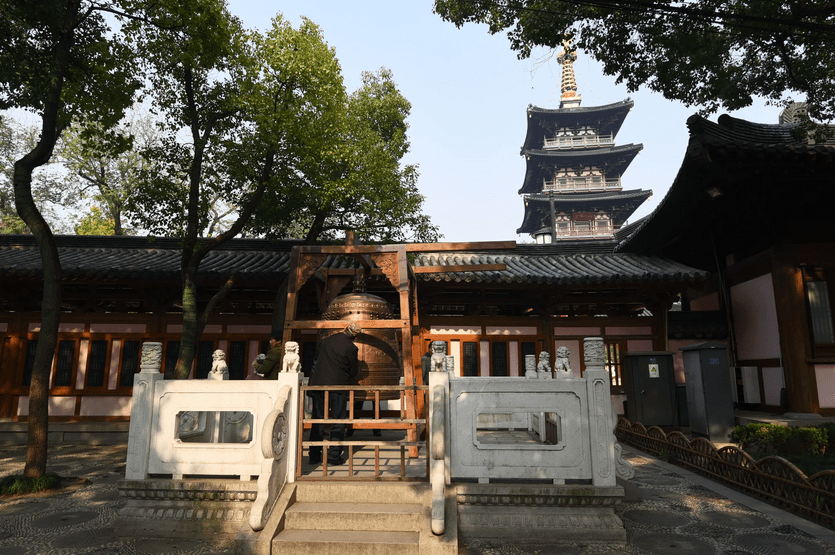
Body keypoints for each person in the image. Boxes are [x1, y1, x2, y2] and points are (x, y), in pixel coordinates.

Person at [308, 323, 361, 466]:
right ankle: (334, 456)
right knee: (338, 421)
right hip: (337, 387)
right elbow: (353, 371)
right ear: (354, 336)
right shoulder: (351, 348)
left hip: (319, 385)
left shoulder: (326, 341)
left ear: (344, 329)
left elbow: (317, 360)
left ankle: (313, 456)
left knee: (318, 420)